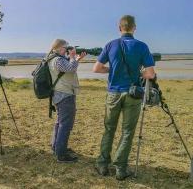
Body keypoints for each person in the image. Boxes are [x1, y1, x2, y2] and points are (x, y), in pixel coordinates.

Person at [93, 15, 156, 180]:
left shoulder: (111, 45)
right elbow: (150, 74)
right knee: (127, 132)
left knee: (109, 129)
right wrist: (137, 72)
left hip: (113, 93)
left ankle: (102, 164)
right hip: (132, 94)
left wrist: (111, 70)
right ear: (134, 28)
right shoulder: (142, 46)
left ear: (119, 28)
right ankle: (120, 169)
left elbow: (97, 68)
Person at [47, 39, 86, 163]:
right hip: (65, 94)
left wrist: (76, 59)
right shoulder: (58, 60)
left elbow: (68, 69)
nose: (68, 49)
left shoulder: (54, 58)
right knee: (65, 124)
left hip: (60, 94)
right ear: (59, 48)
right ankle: (61, 154)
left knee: (60, 122)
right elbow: (70, 68)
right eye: (66, 47)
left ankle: (57, 147)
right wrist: (73, 56)